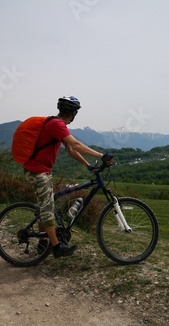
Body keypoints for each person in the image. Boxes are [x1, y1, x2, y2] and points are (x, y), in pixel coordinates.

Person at [23, 96, 113, 258]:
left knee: (46, 205)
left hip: (40, 171)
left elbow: (71, 149)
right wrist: (102, 155)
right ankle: (57, 247)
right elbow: (76, 144)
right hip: (37, 171)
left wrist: (88, 165)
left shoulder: (56, 124)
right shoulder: (57, 124)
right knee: (47, 208)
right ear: (73, 113)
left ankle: (43, 244)